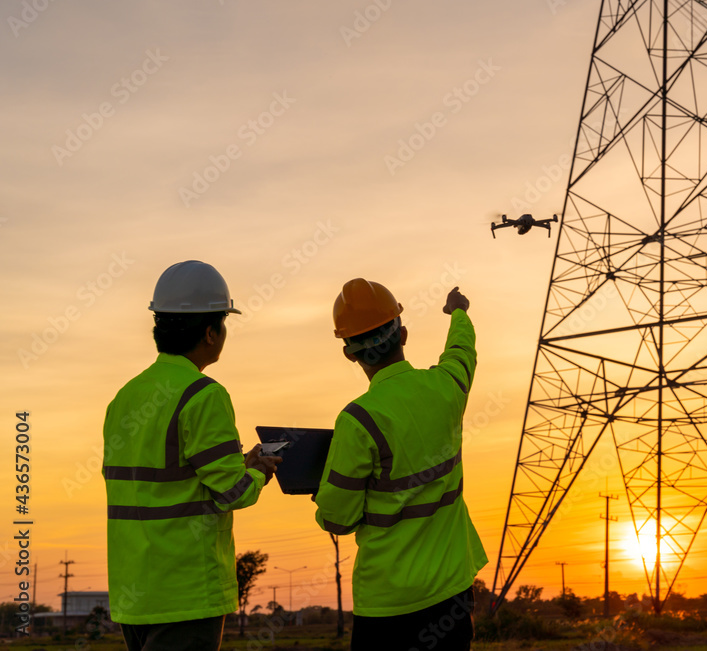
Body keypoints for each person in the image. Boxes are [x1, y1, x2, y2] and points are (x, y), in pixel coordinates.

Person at [102, 260, 281, 651]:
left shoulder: (124, 399)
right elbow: (232, 493)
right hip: (185, 593)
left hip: (135, 594)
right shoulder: (203, 395)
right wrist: (258, 472)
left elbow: (165, 483)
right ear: (210, 333)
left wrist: (238, 466)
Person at [314, 279, 487, 651]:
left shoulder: (357, 421)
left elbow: (337, 521)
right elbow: (462, 351)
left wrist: (322, 488)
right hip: (451, 595)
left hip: (386, 606)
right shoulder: (446, 389)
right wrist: (458, 312)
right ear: (403, 333)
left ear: (349, 353)